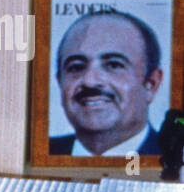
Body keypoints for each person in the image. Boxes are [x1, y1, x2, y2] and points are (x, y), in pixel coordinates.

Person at [49, 10, 163, 156]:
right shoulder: (32, 154)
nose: (90, 81)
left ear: (151, 84)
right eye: (76, 67)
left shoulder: (176, 158)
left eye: (114, 65)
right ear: (60, 81)